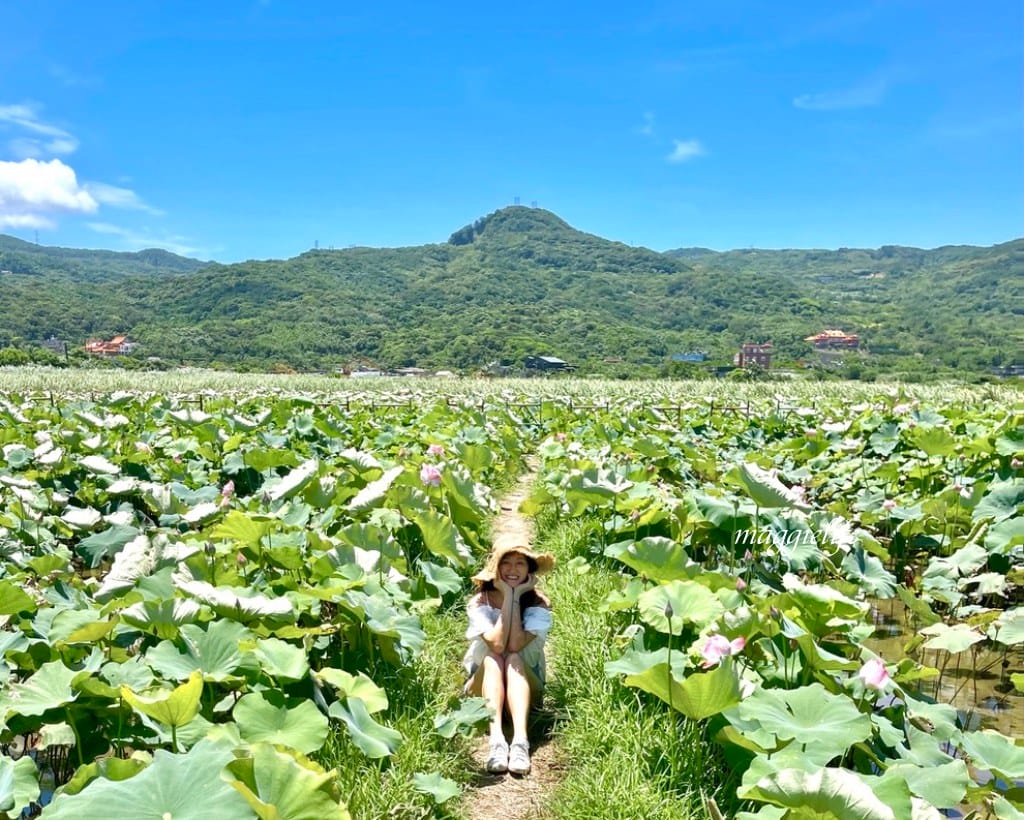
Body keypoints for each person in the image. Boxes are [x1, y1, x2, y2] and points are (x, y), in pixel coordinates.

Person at [463, 533, 555, 775]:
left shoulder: (538, 604)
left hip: (524, 684)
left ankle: (520, 742)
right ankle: (496, 742)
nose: (512, 569)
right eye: (506, 562)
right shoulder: (479, 602)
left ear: (529, 570)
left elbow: (514, 645)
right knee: (494, 659)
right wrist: (508, 597)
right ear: (496, 567)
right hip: (482, 685)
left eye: (520, 563)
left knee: (513, 658)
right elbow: (496, 644)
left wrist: (514, 596)